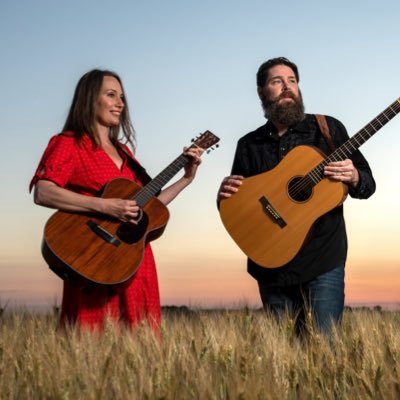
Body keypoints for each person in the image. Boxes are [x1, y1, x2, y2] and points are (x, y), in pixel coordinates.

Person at [30, 69, 203, 332]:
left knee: (142, 354)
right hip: (93, 258)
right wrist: (104, 206)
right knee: (90, 344)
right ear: (89, 99)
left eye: (122, 97)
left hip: (135, 262)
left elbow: (149, 208)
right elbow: (43, 192)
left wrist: (186, 179)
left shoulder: (125, 152)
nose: (121, 103)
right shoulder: (69, 143)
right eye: (111, 95)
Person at [217, 57, 376, 335]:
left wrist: (355, 176)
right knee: (283, 360)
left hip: (323, 262)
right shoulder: (249, 145)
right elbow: (238, 204)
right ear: (261, 91)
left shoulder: (327, 129)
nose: (287, 87)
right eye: (277, 82)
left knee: (323, 356)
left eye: (292, 81)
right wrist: (224, 196)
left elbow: (367, 183)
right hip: (271, 269)